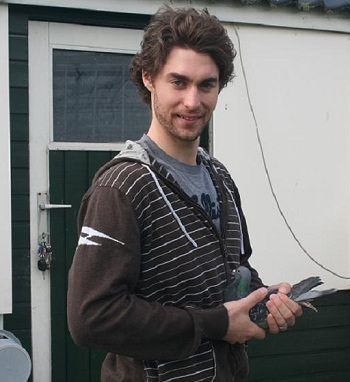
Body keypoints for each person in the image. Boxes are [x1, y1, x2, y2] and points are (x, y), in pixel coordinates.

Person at [67, 5, 302, 382]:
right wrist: (217, 324)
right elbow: (91, 318)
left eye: (206, 85)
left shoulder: (220, 178)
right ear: (149, 78)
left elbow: (230, 275)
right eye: (178, 82)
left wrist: (264, 299)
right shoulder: (122, 187)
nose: (193, 102)